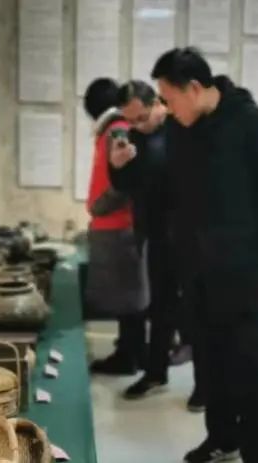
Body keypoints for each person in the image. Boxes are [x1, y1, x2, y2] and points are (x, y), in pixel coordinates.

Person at [111, 47, 258, 463]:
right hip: (195, 267)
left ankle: (257, 450)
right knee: (210, 359)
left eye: (168, 98)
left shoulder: (253, 123)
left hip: (243, 267)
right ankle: (221, 437)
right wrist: (123, 169)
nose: (165, 107)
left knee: (248, 364)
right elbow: (159, 186)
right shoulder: (181, 130)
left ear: (194, 88)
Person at [107, 80, 202, 409]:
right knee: (160, 308)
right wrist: (117, 167)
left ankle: (205, 385)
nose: (137, 125)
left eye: (142, 117)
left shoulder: (182, 128)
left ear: (157, 104)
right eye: (130, 120)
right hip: (157, 235)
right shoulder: (135, 136)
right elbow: (128, 185)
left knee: (195, 311)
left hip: (192, 236)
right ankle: (155, 372)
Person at [84, 77, 150, 376]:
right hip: (117, 224)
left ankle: (129, 356)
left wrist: (99, 206)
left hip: (118, 224)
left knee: (128, 300)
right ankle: (131, 350)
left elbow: (125, 182)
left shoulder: (116, 130)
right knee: (127, 297)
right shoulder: (115, 128)